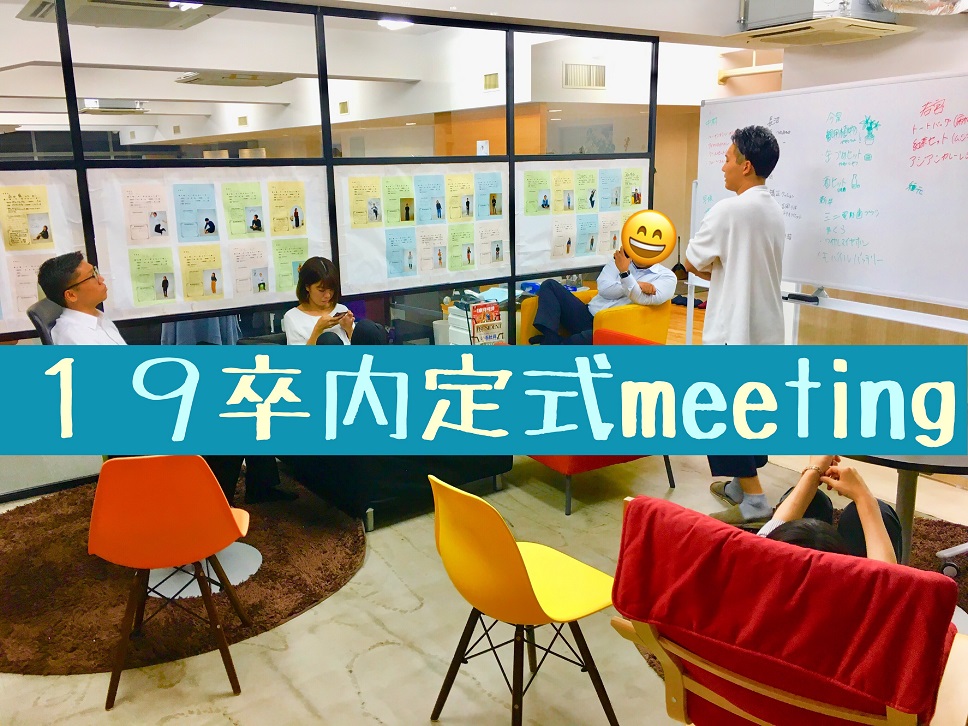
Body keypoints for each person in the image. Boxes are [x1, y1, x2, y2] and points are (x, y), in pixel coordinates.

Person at [36, 252, 289, 503]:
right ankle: (211, 508)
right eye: (92, 276)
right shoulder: (75, 337)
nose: (101, 279)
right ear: (71, 295)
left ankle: (254, 488)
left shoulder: (96, 319)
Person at [685, 125, 784, 525]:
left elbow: (692, 262)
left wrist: (719, 270)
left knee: (722, 414)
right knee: (752, 412)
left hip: (732, 332)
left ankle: (755, 501)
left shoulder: (728, 210)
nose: (722, 166)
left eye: (727, 159)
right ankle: (741, 488)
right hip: (767, 331)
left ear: (745, 165)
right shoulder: (774, 210)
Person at [757, 456, 901, 564]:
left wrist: (813, 472)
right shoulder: (863, 596)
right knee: (875, 513)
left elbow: (766, 543)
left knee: (815, 502)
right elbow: (888, 578)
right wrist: (865, 499)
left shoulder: (757, 576)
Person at [529, 248, 676, 346]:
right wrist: (634, 284)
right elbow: (604, 289)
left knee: (588, 338)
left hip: (614, 327)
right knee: (549, 285)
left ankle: (554, 348)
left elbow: (641, 298)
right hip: (588, 314)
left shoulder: (666, 277)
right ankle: (550, 339)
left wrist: (625, 275)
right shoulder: (619, 262)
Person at [283, 256, 387, 346]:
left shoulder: (340, 309)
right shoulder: (292, 317)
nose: (327, 295)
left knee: (367, 327)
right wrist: (318, 330)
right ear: (307, 287)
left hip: (354, 360)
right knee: (328, 340)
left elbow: (355, 344)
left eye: (331, 290)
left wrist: (349, 329)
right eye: (321, 290)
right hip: (321, 362)